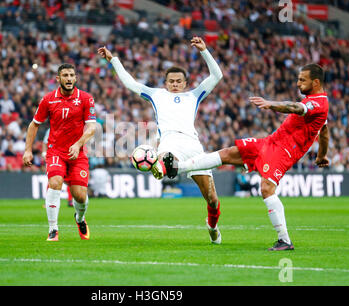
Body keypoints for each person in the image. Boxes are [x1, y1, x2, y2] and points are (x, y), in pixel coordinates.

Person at [162, 64, 330, 251]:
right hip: (270, 142)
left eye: (302, 80)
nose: (298, 83)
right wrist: (321, 155)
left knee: (266, 188)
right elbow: (324, 130)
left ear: (315, 82)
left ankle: (285, 240)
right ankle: (178, 168)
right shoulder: (315, 103)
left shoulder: (318, 103)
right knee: (228, 153)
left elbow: (295, 107)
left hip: (285, 151)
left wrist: (271, 104)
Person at [98, 36, 224, 244]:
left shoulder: (194, 95)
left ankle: (212, 227)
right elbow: (130, 83)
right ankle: (160, 165)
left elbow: (217, 75)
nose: (175, 84)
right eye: (171, 81)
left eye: (178, 81)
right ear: (166, 83)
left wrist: (204, 51)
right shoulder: (156, 95)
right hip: (169, 142)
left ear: (185, 83)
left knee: (212, 199)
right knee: (166, 157)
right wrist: (114, 60)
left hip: (193, 145)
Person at [23, 63, 97, 242]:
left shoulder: (86, 98)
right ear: (58, 79)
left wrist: (78, 144)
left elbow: (92, 127)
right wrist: (27, 150)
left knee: (80, 195)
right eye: (65, 75)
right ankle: (53, 229)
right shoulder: (48, 99)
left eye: (72, 75)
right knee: (55, 182)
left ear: (76, 78)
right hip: (55, 151)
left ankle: (79, 219)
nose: (69, 78)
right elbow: (34, 124)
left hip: (77, 153)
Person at [43, 128, 73, 207]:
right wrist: (44, 154)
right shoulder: (51, 129)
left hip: (67, 156)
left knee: (70, 179)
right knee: (52, 179)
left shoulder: (70, 126)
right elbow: (45, 142)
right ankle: (49, 201)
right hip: (54, 156)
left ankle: (70, 200)